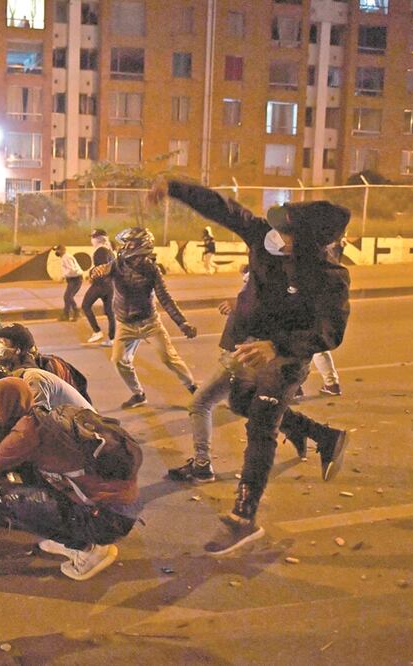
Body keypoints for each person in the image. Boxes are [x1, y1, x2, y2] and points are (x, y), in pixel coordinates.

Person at [152, 178, 351, 556]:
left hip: (285, 359)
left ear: (309, 242)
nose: (278, 234)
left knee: (261, 424)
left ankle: (243, 518)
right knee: (241, 405)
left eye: (289, 232)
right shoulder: (262, 236)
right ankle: (325, 437)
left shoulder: (329, 278)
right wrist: (175, 187)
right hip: (244, 347)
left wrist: (278, 346)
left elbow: (329, 333)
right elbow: (225, 209)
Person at [0, 378, 139, 580]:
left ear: (11, 404)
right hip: (119, 510)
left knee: (1, 497)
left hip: (105, 521)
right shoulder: (42, 416)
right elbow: (4, 449)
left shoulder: (26, 433)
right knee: (28, 475)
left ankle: (88, 549)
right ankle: (79, 535)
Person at [168, 266, 307, 484]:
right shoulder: (266, 262)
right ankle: (306, 430)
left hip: (244, 349)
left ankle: (202, 465)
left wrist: (239, 306)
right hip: (242, 346)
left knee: (200, 403)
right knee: (244, 404)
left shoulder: (277, 269)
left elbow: (271, 309)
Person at [87, 228, 199, 409]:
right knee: (118, 360)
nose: (125, 246)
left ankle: (194, 390)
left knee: (168, 358)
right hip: (125, 324)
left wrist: (182, 322)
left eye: (130, 243)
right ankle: (138, 395)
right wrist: (95, 272)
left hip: (149, 323)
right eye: (125, 242)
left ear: (141, 246)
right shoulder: (117, 264)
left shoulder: (151, 269)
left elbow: (165, 298)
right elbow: (99, 271)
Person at [81, 229, 116, 346]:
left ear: (98, 239)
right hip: (110, 285)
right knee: (109, 312)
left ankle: (97, 331)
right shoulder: (109, 251)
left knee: (85, 306)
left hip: (100, 285)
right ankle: (112, 338)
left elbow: (101, 268)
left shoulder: (100, 251)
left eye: (93, 237)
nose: (91, 240)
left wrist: (92, 275)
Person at [55, 245, 83, 322]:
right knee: (68, 297)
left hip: (75, 279)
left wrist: (63, 277)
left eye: (58, 250)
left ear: (63, 250)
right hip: (73, 279)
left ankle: (76, 312)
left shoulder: (66, 258)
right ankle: (66, 315)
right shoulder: (65, 257)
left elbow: (72, 269)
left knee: (67, 297)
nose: (56, 252)